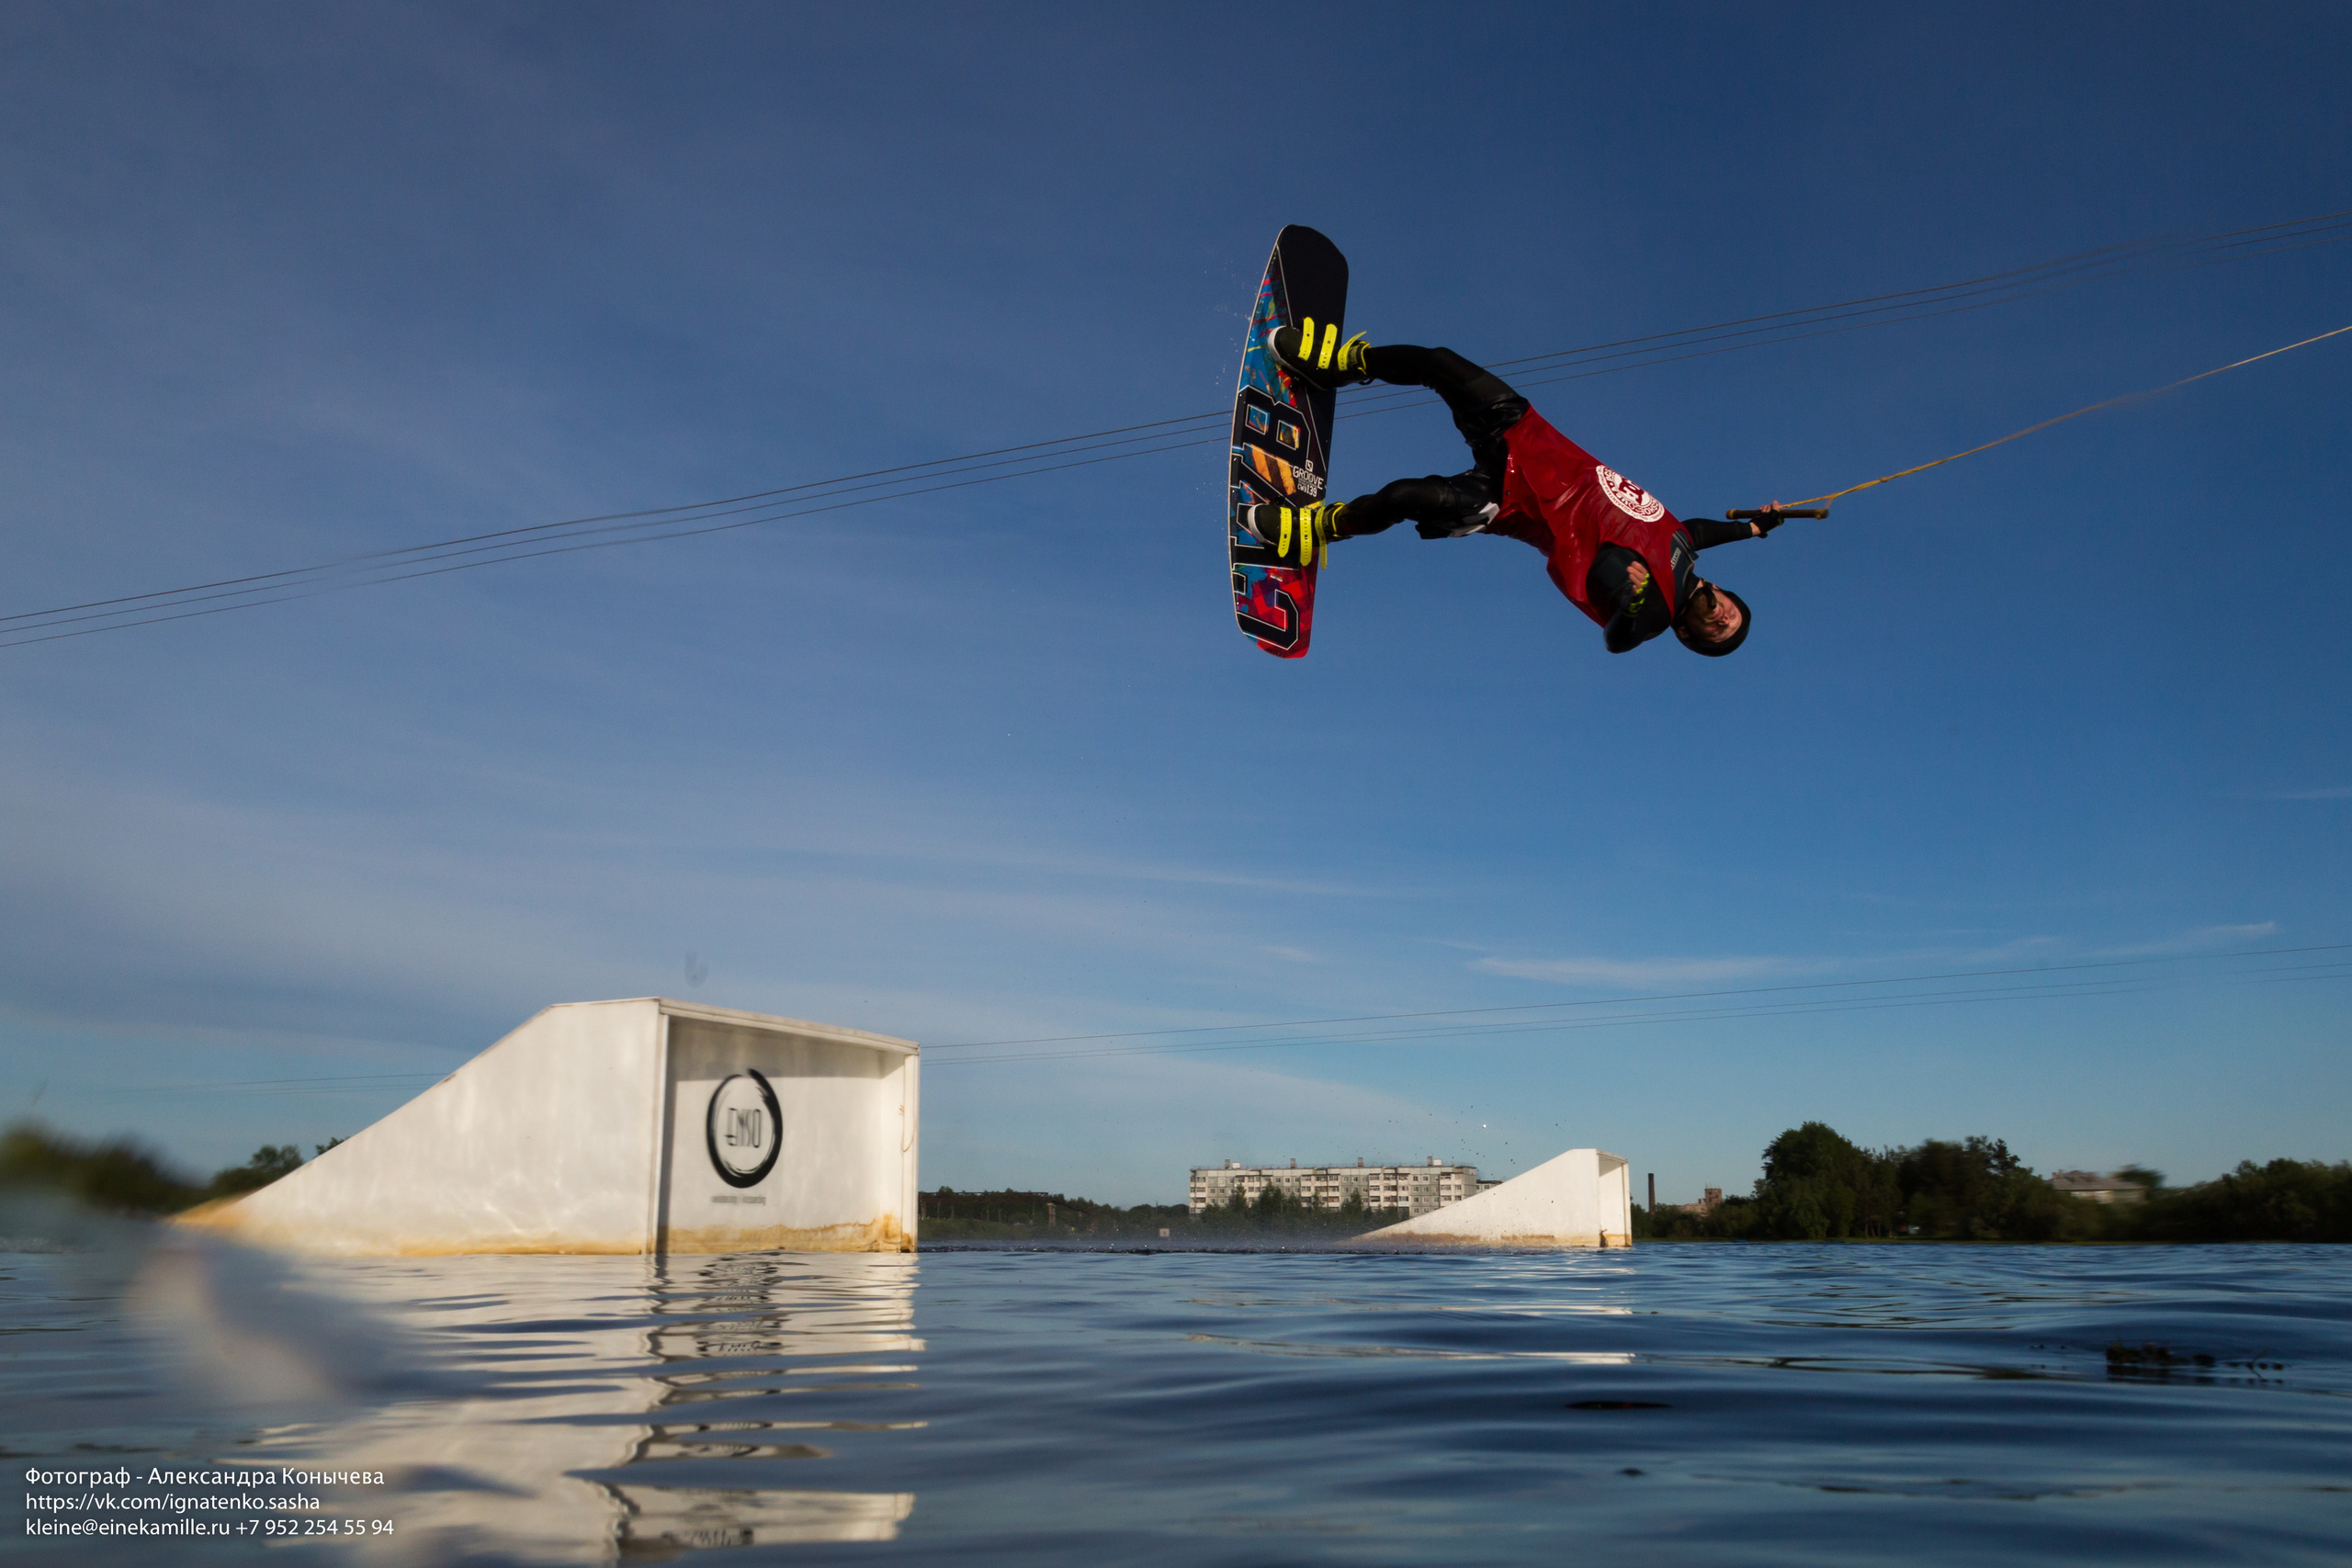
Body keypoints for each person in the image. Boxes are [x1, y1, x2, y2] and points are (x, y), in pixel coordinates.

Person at [1249, 331, 1789, 655]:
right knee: (1439, 362)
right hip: (1530, 438)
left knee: (1403, 496)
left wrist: (1634, 604)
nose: (1724, 619)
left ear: (1691, 637)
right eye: (1734, 616)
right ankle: (1338, 365)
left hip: (1508, 502)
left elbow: (1618, 639)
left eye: (1721, 634)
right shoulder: (1682, 547)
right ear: (1727, 595)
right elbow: (1696, 530)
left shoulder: (1655, 611)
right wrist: (1753, 528)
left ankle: (1318, 528)